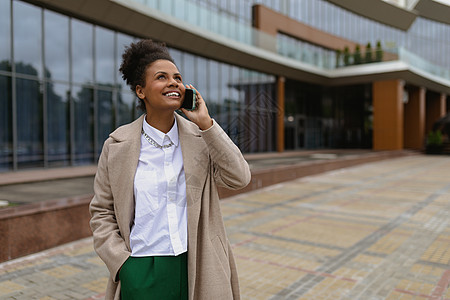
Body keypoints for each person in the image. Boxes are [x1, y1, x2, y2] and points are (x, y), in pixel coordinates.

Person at [89, 39, 251, 300]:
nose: (173, 82)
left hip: (198, 265)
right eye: (161, 77)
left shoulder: (202, 138)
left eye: (177, 77)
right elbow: (101, 212)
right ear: (141, 91)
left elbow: (240, 177)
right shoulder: (117, 145)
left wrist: (206, 123)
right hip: (140, 268)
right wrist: (123, 264)